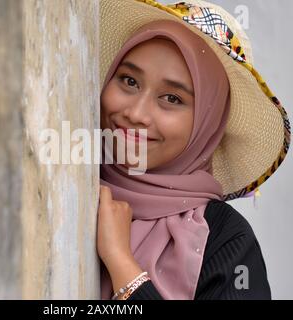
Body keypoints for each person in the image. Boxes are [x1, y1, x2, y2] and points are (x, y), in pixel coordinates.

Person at [97, 0, 291, 300]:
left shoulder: (227, 240)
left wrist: (121, 263)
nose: (136, 113)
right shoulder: (62, 183)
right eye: (129, 80)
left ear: (206, 123)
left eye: (171, 98)